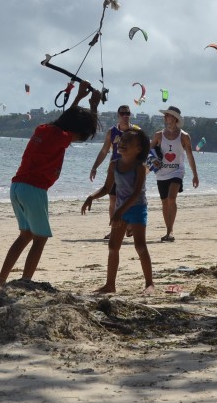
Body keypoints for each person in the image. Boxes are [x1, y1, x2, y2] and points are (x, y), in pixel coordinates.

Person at [0, 82, 101, 286]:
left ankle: (1, 280)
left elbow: (69, 118)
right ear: (73, 130)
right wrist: (94, 105)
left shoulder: (43, 129)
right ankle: (26, 280)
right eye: (78, 134)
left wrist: (79, 97)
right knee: (40, 237)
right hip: (34, 189)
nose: (77, 138)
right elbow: (87, 129)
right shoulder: (60, 136)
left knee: (25, 235)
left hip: (17, 186)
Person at [82, 127, 154, 294]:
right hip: (120, 209)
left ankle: (150, 283)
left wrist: (118, 212)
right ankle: (110, 285)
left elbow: (136, 194)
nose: (123, 143)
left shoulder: (139, 167)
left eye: (128, 141)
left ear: (139, 149)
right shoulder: (114, 164)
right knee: (113, 247)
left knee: (140, 246)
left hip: (136, 208)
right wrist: (91, 197)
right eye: (122, 140)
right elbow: (107, 188)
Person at [149, 106, 199, 242]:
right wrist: (148, 166)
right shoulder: (158, 135)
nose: (165, 117)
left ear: (175, 118)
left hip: (177, 171)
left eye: (168, 115)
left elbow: (189, 155)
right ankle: (167, 231)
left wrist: (195, 175)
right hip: (161, 173)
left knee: (171, 198)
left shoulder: (184, 136)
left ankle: (171, 231)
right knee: (164, 202)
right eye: (165, 115)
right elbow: (148, 152)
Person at [89, 104, 139, 240]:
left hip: (131, 171)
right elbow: (105, 150)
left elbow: (144, 150)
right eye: (122, 113)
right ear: (118, 115)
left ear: (130, 114)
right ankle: (114, 229)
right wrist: (95, 167)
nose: (125, 116)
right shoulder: (112, 132)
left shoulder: (136, 131)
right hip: (115, 170)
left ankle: (128, 227)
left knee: (129, 200)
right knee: (113, 199)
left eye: (127, 113)